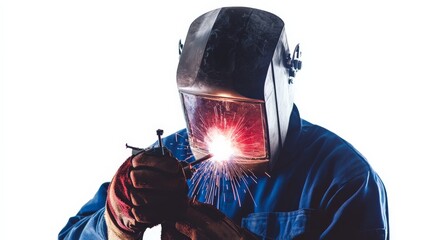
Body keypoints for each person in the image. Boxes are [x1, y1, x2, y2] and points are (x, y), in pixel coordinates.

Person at [59, 6, 389, 240]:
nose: (222, 128)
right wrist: (116, 221)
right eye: (208, 109)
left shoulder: (344, 180)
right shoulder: (167, 161)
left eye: (239, 111)